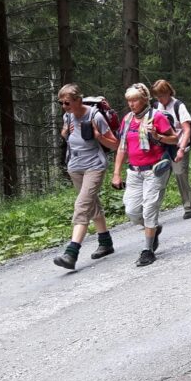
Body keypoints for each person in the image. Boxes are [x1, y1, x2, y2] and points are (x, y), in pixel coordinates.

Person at [52, 84, 120, 270]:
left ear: (78, 100)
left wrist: (99, 137)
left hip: (94, 166)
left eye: (67, 102)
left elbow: (115, 144)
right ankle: (105, 242)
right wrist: (65, 133)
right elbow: (67, 135)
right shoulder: (67, 116)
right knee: (91, 204)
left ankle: (71, 253)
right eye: (61, 103)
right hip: (75, 167)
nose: (64, 106)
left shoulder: (95, 116)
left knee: (82, 205)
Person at [111, 83, 176, 267]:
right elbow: (122, 147)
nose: (131, 104)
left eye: (135, 100)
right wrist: (116, 173)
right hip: (134, 172)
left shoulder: (157, 117)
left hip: (155, 170)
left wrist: (157, 136)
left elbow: (174, 138)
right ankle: (154, 228)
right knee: (131, 211)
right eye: (129, 101)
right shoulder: (127, 119)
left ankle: (147, 250)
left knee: (149, 209)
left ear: (145, 99)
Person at [151, 79, 191, 220]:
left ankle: (189, 207)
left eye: (162, 95)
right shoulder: (156, 107)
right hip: (163, 146)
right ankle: (151, 212)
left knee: (180, 174)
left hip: (178, 146)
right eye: (157, 96)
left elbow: (187, 129)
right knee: (158, 177)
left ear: (169, 92)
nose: (160, 99)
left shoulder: (178, 106)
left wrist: (182, 149)